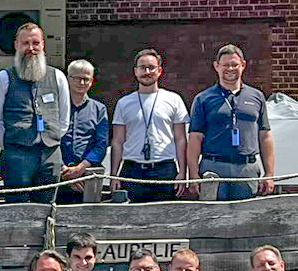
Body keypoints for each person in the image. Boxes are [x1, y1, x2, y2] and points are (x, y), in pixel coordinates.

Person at [0, 22, 72, 203]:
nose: (31, 48)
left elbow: (63, 120)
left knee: (48, 209)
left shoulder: (58, 77)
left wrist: (50, 137)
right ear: (16, 46)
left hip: (50, 155)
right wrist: (13, 144)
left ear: (43, 45)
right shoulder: (2, 79)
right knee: (17, 211)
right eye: (25, 43)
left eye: (35, 43)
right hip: (16, 156)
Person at [186, 44, 276, 200]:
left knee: (246, 219)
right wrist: (193, 175)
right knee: (213, 218)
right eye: (226, 65)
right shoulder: (203, 99)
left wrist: (269, 174)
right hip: (213, 168)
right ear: (216, 66)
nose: (230, 69)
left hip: (247, 169)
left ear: (243, 65)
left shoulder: (257, 96)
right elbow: (195, 138)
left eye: (234, 64)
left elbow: (265, 136)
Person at [110, 49, 189, 202]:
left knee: (166, 218)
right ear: (135, 71)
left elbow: (181, 139)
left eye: (151, 67)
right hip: (132, 170)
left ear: (159, 71)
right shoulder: (124, 103)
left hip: (164, 170)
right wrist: (113, 174)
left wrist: (182, 173)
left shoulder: (174, 100)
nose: (147, 72)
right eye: (142, 67)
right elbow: (117, 141)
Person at [60, 60, 110, 203]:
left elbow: (101, 144)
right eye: (77, 78)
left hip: (88, 176)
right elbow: (49, 140)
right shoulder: (56, 107)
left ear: (91, 81)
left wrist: (80, 169)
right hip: (57, 174)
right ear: (68, 78)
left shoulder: (99, 109)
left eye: (86, 79)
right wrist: (64, 171)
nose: (81, 82)